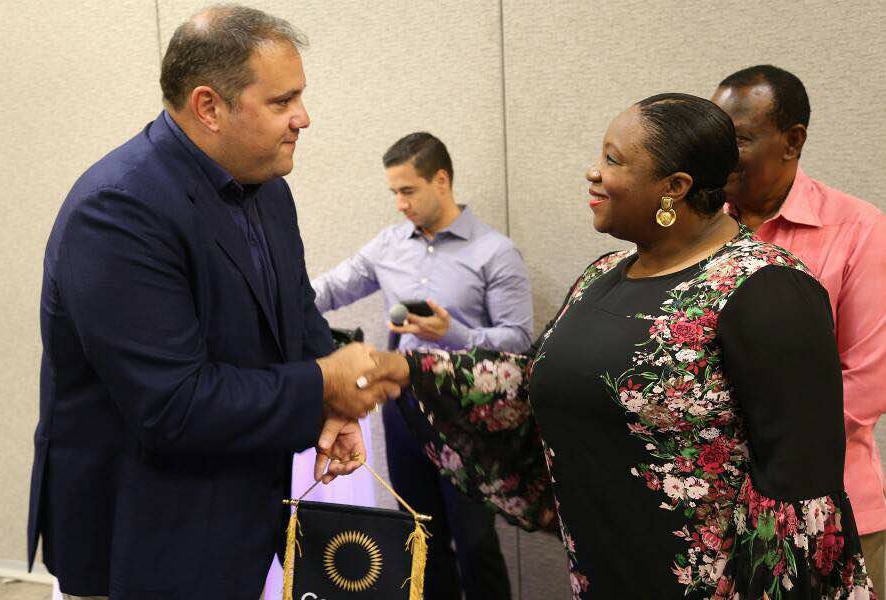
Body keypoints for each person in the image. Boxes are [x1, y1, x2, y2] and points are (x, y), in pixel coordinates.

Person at [346, 93, 877, 598]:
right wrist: (411, 370)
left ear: (674, 187)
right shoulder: (602, 275)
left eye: (613, 159)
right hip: (604, 573)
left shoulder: (767, 288)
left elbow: (798, 491)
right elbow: (531, 383)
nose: (592, 172)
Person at [28, 6, 393, 599]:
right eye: (282, 101)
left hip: (236, 522)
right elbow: (174, 404)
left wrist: (333, 405)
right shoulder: (117, 210)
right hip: (143, 542)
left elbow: (295, 316)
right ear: (208, 107)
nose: (303, 117)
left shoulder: (267, 188)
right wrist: (323, 384)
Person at [312, 132, 533, 599]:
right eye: (394, 192)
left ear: (441, 180)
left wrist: (453, 333)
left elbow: (519, 342)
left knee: (475, 542)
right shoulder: (388, 245)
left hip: (468, 412)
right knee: (419, 538)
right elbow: (328, 290)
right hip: (403, 408)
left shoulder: (495, 252)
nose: (399, 204)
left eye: (408, 191)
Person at [710, 64, 886, 598]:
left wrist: (754, 446)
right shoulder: (700, 225)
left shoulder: (859, 230)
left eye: (738, 139)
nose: (720, 154)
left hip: (830, 506)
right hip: (712, 511)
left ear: (793, 141)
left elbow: (868, 380)